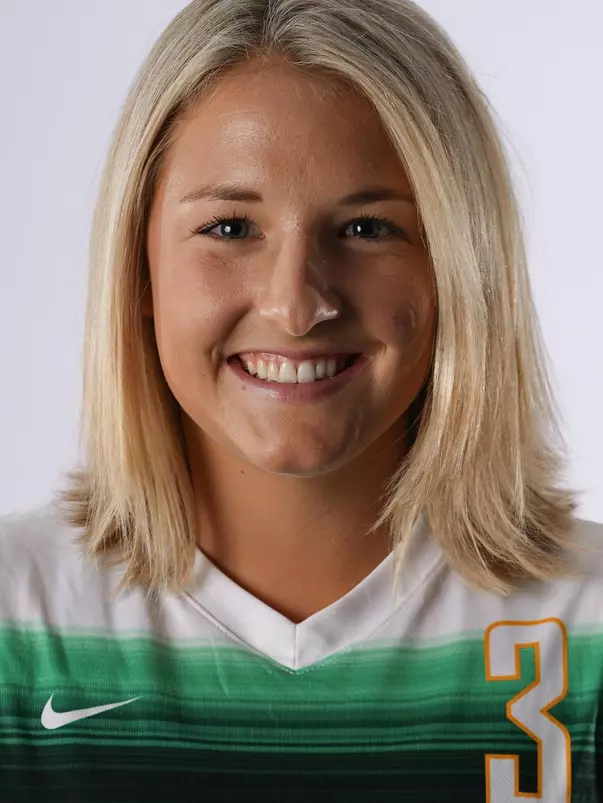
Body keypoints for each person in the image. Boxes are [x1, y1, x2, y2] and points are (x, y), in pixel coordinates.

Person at [0, 0, 600, 799]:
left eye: (364, 230)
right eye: (228, 229)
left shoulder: (586, 628)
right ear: (138, 268)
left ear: (459, 267)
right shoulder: (16, 620)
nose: (295, 305)